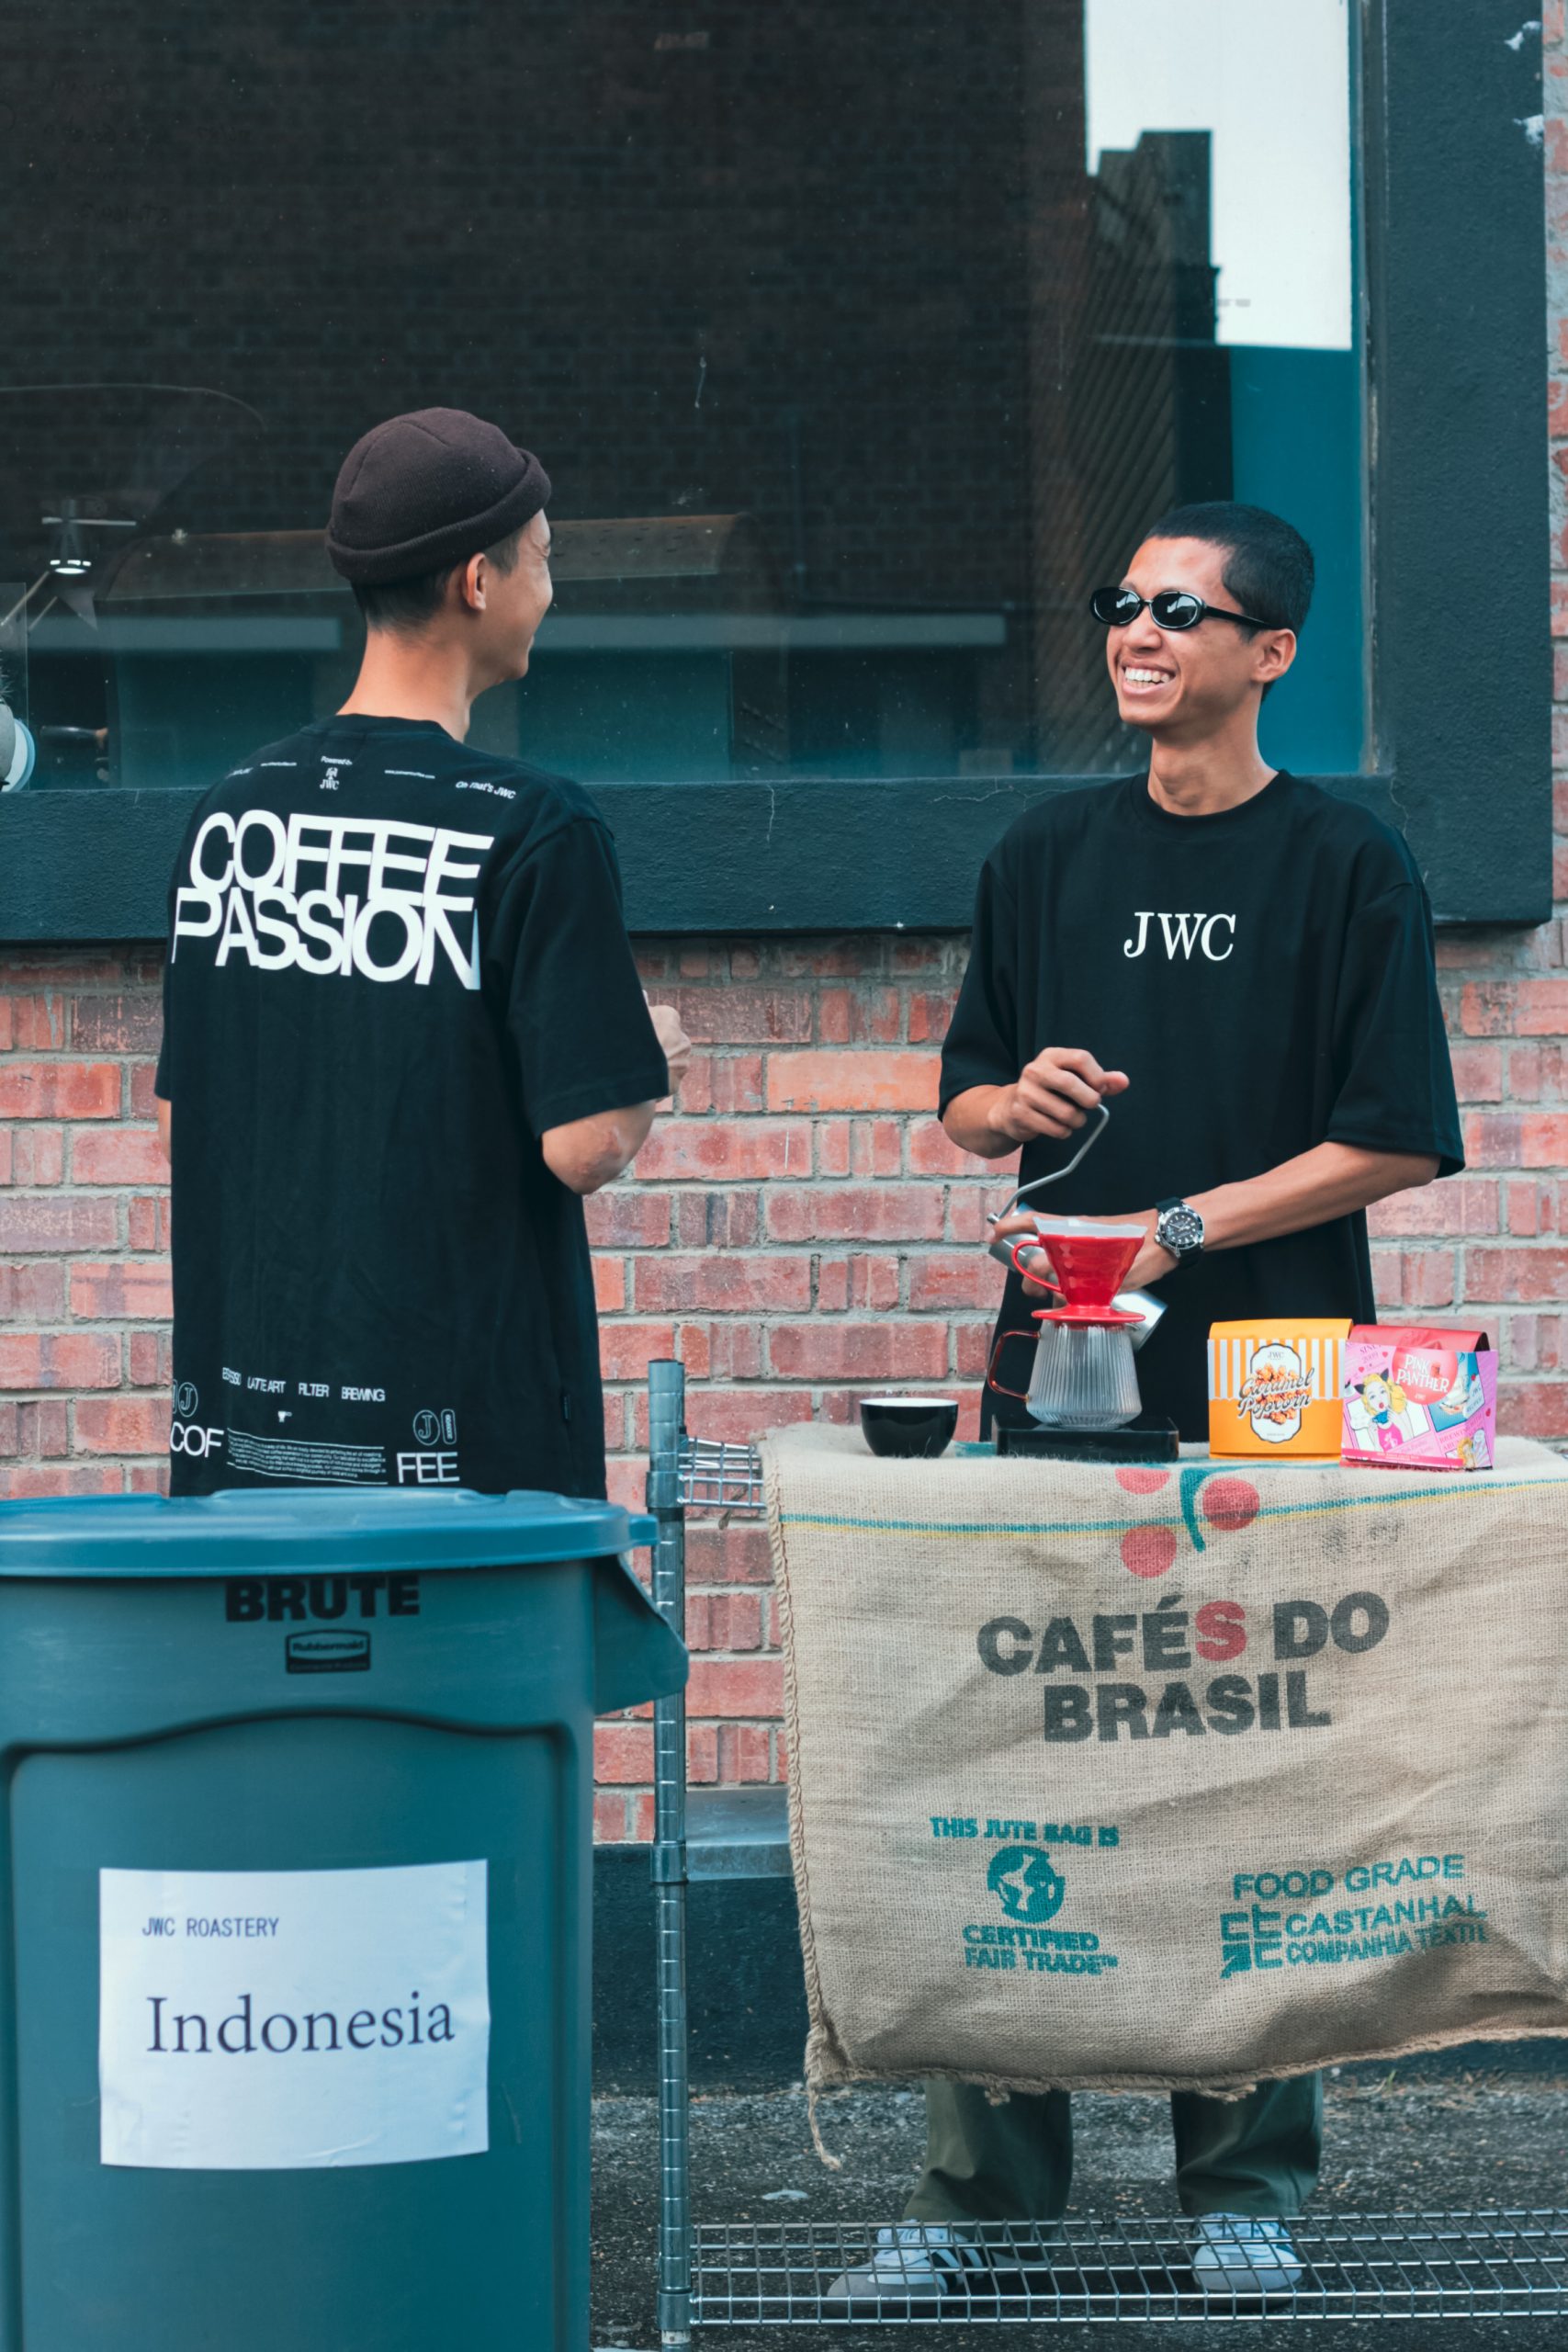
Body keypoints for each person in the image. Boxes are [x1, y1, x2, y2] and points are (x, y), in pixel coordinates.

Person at [832, 501, 1462, 2305]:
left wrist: (1175, 1224)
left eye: (1181, 611)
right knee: (1011, 1767)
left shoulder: (1346, 863)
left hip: (1273, 1379)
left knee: (1254, 1765)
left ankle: (1242, 2188)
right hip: (1056, 1370)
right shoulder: (1044, 851)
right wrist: (1009, 1105)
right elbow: (964, 1097)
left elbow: (1395, 1133)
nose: (1137, 631)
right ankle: (979, 2202)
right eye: (1124, 602)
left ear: (1270, 651)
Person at [154, 407, 690, 1499]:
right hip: (466, 1476)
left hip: (247, 1459)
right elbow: (583, 1145)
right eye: (545, 557)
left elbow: (183, 1123)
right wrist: (644, 1062)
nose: (552, 590)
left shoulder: (232, 814)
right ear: (477, 582)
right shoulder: (536, 827)